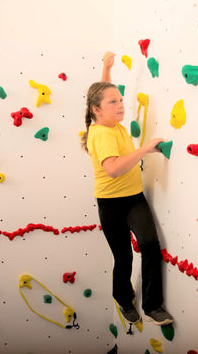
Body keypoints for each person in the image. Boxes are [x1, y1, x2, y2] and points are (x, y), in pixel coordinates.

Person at [80, 51, 173, 326]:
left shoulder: (104, 118)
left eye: (121, 99)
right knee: (123, 258)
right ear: (97, 110)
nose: (121, 105)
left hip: (133, 198)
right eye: (114, 102)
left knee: (149, 245)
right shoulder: (102, 133)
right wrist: (145, 149)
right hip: (111, 204)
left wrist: (106, 68)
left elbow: (100, 94)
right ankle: (123, 299)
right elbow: (114, 168)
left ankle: (153, 306)